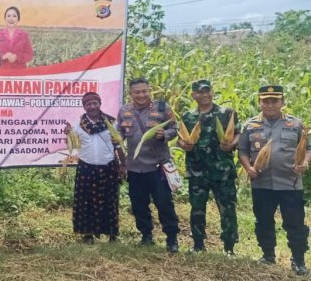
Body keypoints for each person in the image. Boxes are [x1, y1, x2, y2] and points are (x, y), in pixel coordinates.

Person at [238, 85, 310, 276]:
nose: (270, 104)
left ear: (282, 102)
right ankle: (268, 255)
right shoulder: (250, 125)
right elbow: (242, 151)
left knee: (295, 223)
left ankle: (298, 259)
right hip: (261, 184)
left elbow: (307, 147)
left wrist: (304, 162)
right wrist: (249, 168)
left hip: (290, 184)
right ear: (259, 102)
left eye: (274, 101)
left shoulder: (295, 124)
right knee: (263, 221)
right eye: (265, 101)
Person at [116, 78, 180, 253]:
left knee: (164, 204)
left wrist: (164, 134)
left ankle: (172, 239)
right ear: (131, 94)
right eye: (137, 92)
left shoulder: (162, 108)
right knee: (139, 204)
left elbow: (176, 129)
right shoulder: (125, 111)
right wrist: (118, 137)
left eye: (144, 91)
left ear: (149, 91)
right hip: (135, 167)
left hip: (157, 167)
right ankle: (146, 236)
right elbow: (120, 131)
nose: (141, 95)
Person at [177, 80, 239, 255]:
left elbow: (238, 134)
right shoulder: (188, 116)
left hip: (222, 171)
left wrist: (231, 144)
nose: (204, 95)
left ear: (212, 92)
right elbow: (180, 138)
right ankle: (198, 245)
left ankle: (229, 247)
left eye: (207, 91)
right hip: (197, 171)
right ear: (193, 95)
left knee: (227, 209)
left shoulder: (226, 113)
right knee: (197, 208)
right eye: (200, 92)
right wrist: (184, 145)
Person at [66, 92, 126, 244]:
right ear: (84, 106)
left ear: (100, 104)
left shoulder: (111, 123)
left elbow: (118, 145)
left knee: (110, 201)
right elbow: (73, 145)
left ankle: (112, 234)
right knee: (86, 202)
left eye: (94, 103)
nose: (92, 107)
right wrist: (67, 134)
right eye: (88, 104)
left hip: (109, 168)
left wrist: (123, 165)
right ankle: (88, 234)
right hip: (86, 168)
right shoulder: (78, 125)